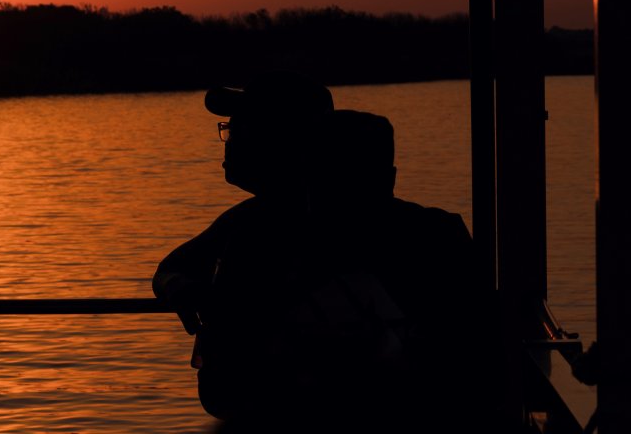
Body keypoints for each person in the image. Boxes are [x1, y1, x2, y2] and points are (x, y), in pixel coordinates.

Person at [153, 73, 491, 430]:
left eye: (243, 128)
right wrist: (181, 287)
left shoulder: (255, 235)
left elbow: (227, 391)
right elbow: (172, 268)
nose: (229, 141)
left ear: (288, 144)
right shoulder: (248, 225)